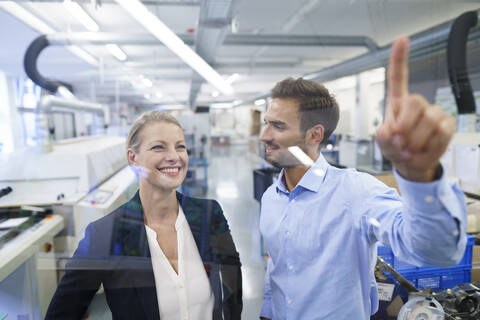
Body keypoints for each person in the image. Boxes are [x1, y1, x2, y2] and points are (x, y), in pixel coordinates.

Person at [258, 36, 467, 319]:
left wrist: (421, 177)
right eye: (266, 123)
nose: (264, 135)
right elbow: (277, 269)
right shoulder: (272, 197)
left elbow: (437, 252)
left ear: (314, 135)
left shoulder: (355, 192)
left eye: (277, 126)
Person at [46, 111, 242, 319]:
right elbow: (61, 313)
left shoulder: (209, 214)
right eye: (158, 147)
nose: (174, 156)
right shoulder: (105, 235)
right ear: (133, 158)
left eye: (180, 146)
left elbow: (232, 278)